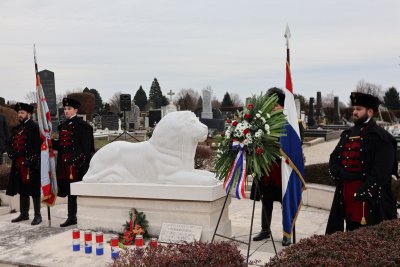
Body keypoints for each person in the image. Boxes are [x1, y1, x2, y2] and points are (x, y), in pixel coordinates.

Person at [326, 92, 397, 234]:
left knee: (368, 237)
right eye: (354, 109)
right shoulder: (348, 133)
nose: (354, 112)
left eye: (359, 109)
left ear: (370, 112)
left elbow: (381, 173)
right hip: (345, 193)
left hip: (371, 198)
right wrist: (339, 173)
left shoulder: (382, 137)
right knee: (347, 232)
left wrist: (364, 192)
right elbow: (334, 158)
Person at [250, 88, 291, 246]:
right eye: (270, 105)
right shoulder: (263, 121)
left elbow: (296, 145)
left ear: (281, 105)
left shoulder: (290, 122)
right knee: (266, 200)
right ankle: (265, 230)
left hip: (283, 168)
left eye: (275, 104)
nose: (273, 108)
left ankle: (287, 233)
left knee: (285, 201)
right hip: (266, 168)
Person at [53, 97, 94, 227]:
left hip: (77, 164)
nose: (66, 111)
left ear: (75, 110)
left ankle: (76, 216)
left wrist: (74, 160)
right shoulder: (63, 126)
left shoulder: (83, 126)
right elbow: (61, 145)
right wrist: (48, 142)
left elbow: (86, 147)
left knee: (76, 190)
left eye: (69, 109)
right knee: (69, 190)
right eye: (65, 109)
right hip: (65, 164)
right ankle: (71, 216)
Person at [6, 103, 42, 225]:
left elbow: (37, 146)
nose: (19, 115)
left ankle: (38, 215)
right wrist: (11, 153)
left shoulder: (34, 127)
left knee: (34, 190)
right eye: (19, 113)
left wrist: (30, 160)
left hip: (31, 164)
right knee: (22, 189)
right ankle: (24, 213)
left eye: (22, 113)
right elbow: (10, 143)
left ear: (29, 114)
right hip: (18, 163)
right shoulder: (16, 128)